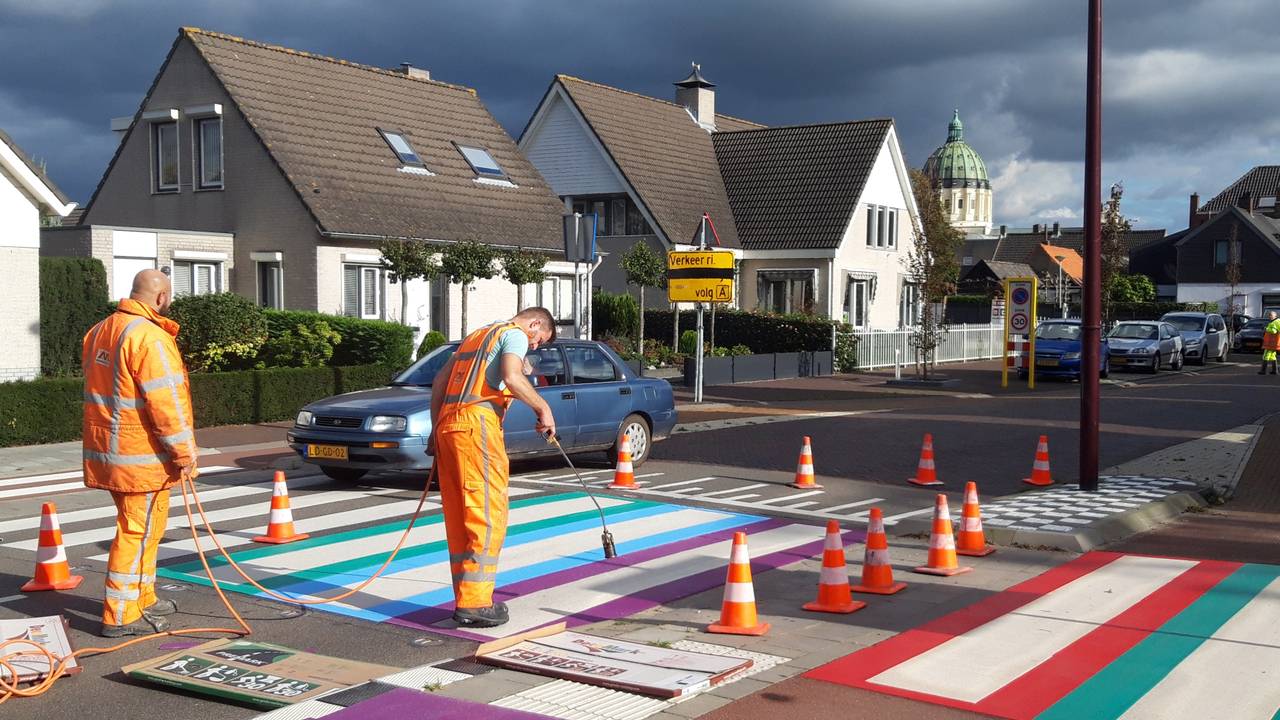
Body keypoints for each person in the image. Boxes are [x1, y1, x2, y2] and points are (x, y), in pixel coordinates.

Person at [82, 269, 197, 637]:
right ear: (161, 298)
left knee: (147, 528)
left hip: (113, 451)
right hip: (142, 456)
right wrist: (185, 453)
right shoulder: (150, 338)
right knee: (137, 531)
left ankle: (141, 596)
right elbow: (167, 405)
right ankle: (120, 614)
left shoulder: (100, 330)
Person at [429, 307, 557, 627]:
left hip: (449, 426)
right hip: (477, 427)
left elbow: (439, 384)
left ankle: (466, 597)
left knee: (460, 514)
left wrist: (435, 431)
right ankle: (475, 603)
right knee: (487, 512)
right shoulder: (513, 335)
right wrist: (543, 408)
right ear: (535, 323)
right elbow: (512, 377)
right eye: (540, 339)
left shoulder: (476, 337)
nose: (537, 346)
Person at [1261, 311, 1280, 375]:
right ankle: (1275, 371)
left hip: (1271, 343)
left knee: (1266, 355)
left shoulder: (1274, 323)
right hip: (1274, 343)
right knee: (1273, 356)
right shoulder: (1278, 321)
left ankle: (1263, 371)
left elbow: (1274, 331)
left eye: (1271, 315)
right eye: (1269, 315)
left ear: (1275, 316)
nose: (1270, 316)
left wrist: (1266, 329)